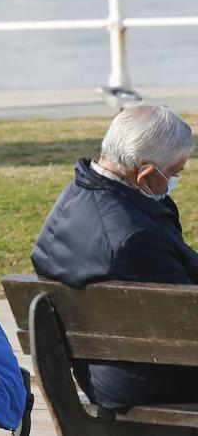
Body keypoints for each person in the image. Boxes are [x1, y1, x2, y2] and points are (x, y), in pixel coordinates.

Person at [32, 104, 198, 411]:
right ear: (145, 173)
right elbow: (188, 318)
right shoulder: (133, 237)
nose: (175, 180)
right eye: (175, 172)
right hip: (151, 379)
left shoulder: (76, 198)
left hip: (107, 370)